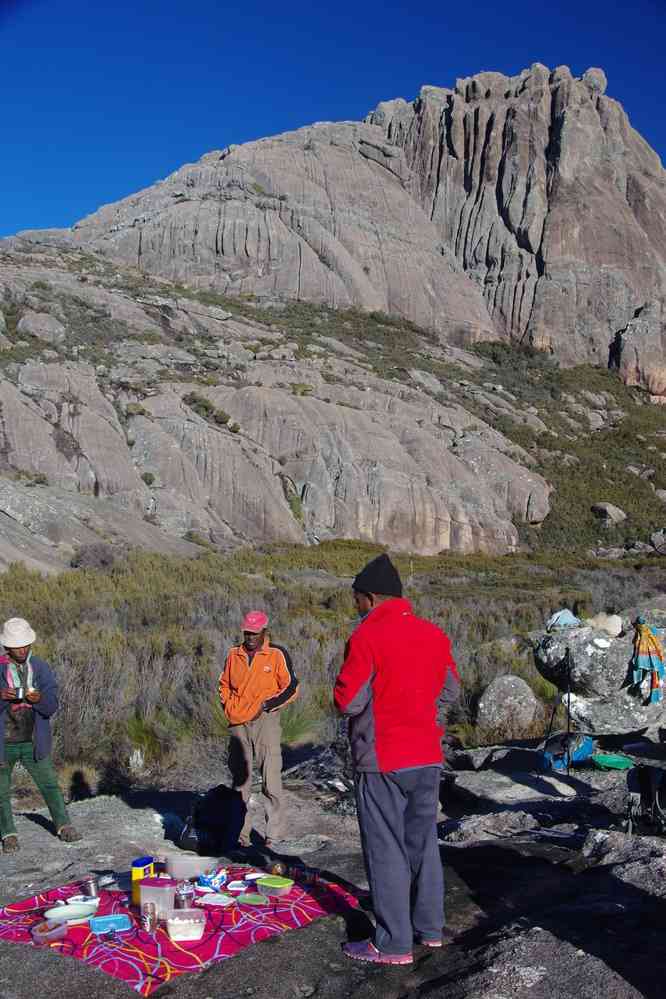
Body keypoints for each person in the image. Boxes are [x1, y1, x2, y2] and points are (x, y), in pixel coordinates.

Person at [334, 554, 460, 965]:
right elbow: (451, 691)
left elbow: (348, 701)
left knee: (385, 846)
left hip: (382, 758)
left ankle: (392, 944)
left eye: (356, 600)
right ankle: (430, 929)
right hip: (427, 755)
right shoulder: (434, 634)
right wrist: (429, 723)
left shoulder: (367, 635)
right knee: (423, 842)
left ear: (369, 598)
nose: (355, 608)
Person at [218, 611, 299, 848]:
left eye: (254, 632)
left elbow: (291, 687)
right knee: (240, 779)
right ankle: (241, 835)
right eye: (247, 632)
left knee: (271, 777)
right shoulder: (234, 654)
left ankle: (273, 836)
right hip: (238, 721)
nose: (250, 637)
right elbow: (223, 684)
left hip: (266, 720)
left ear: (265, 631)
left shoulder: (276, 654)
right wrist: (229, 707)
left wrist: (266, 705)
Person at [0, 617, 80, 852]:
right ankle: (8, 834)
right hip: (4, 741)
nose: (22, 650)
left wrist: (39, 700)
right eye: (17, 646)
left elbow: (51, 705)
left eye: (25, 645)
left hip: (34, 739)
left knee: (49, 784)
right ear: (7, 647)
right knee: (2, 791)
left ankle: (63, 825)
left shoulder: (40, 667)